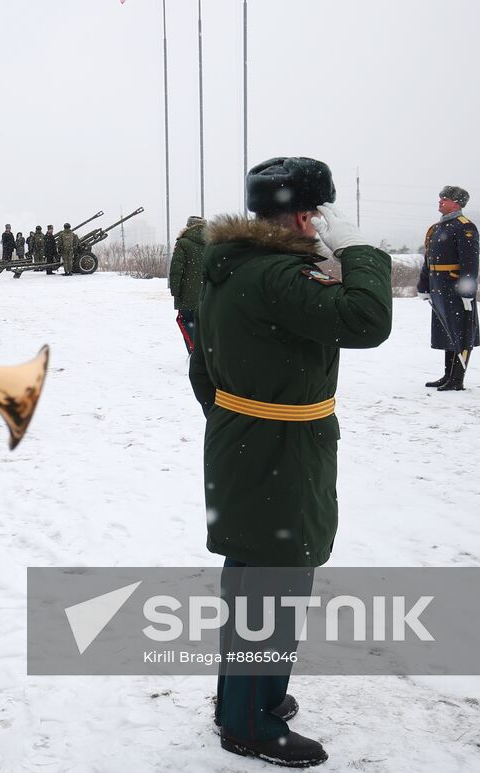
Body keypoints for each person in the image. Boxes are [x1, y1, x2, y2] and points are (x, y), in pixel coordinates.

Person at [188, 157, 392, 767]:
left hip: (245, 437)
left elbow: (203, 364)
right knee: (276, 583)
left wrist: (239, 415)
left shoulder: (230, 266)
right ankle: (248, 723)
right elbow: (368, 320)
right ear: (307, 215)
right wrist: (361, 254)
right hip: (280, 445)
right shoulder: (278, 274)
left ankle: (247, 699)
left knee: (250, 574)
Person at [417, 185, 480, 391]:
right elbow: (429, 261)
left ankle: (457, 379)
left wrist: (467, 292)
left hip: (455, 288)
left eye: (445, 198)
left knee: (461, 331)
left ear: (457, 203)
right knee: (446, 331)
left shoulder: (464, 227)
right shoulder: (436, 229)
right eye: (440, 198)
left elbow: (469, 263)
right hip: (439, 287)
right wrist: (424, 285)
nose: (440, 201)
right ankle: (448, 375)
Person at [168, 216, 207, 354]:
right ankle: (206, 353)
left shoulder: (183, 243)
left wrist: (175, 292)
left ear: (188, 227)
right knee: (204, 325)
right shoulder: (214, 243)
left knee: (187, 322)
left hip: (187, 294)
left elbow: (176, 271)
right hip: (208, 295)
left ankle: (194, 354)